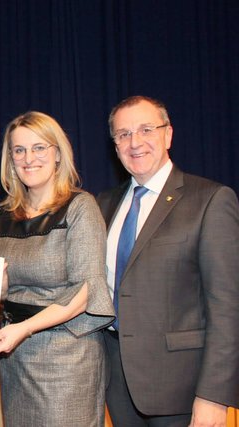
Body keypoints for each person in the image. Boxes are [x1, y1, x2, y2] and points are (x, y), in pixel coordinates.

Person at [97, 95, 239, 426]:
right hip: (117, 383)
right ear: (115, 145)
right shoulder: (102, 204)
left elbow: (228, 308)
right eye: (123, 134)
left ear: (168, 134)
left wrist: (214, 396)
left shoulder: (211, 201)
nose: (135, 142)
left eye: (146, 129)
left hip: (184, 389)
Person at [0, 111, 115, 427]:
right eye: (19, 150)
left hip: (66, 357)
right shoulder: (4, 216)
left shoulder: (80, 207)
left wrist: (25, 328)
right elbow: (10, 291)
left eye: (39, 147)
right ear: (10, 159)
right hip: (15, 357)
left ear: (57, 154)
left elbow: (86, 290)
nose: (29, 158)